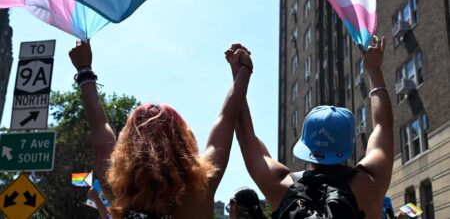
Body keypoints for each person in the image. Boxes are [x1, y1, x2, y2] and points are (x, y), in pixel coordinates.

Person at [69, 41, 253, 219]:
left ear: (130, 141)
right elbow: (226, 119)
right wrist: (242, 71)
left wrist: (84, 69)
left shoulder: (118, 187)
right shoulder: (202, 184)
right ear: (182, 139)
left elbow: (100, 128)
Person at [226, 36, 394, 219]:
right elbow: (382, 126)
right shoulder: (369, 184)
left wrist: (240, 73)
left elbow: (245, 136)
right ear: (347, 145)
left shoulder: (281, 186)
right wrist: (374, 70)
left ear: (305, 144)